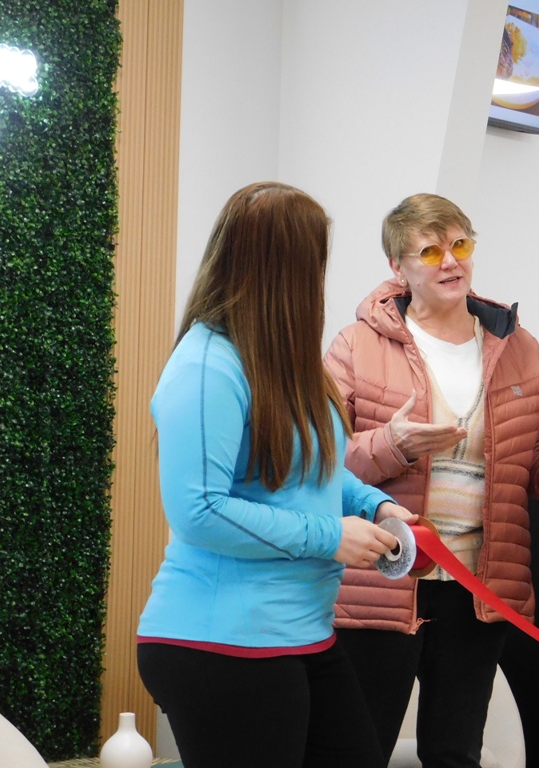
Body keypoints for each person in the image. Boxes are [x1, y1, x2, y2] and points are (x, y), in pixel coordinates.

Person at [324, 192, 539, 768]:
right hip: (382, 580)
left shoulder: (518, 347)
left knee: (456, 751)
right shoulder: (355, 344)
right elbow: (318, 462)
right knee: (358, 750)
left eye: (459, 245)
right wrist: (392, 445)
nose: (450, 262)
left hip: (478, 585)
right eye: (429, 251)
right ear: (398, 267)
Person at [135, 182, 417, 768]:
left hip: (302, 635)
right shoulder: (206, 366)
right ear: (283, 270)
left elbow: (314, 468)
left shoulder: (287, 363)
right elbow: (199, 510)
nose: (320, 279)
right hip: (219, 642)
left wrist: (375, 506)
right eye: (315, 261)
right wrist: (330, 536)